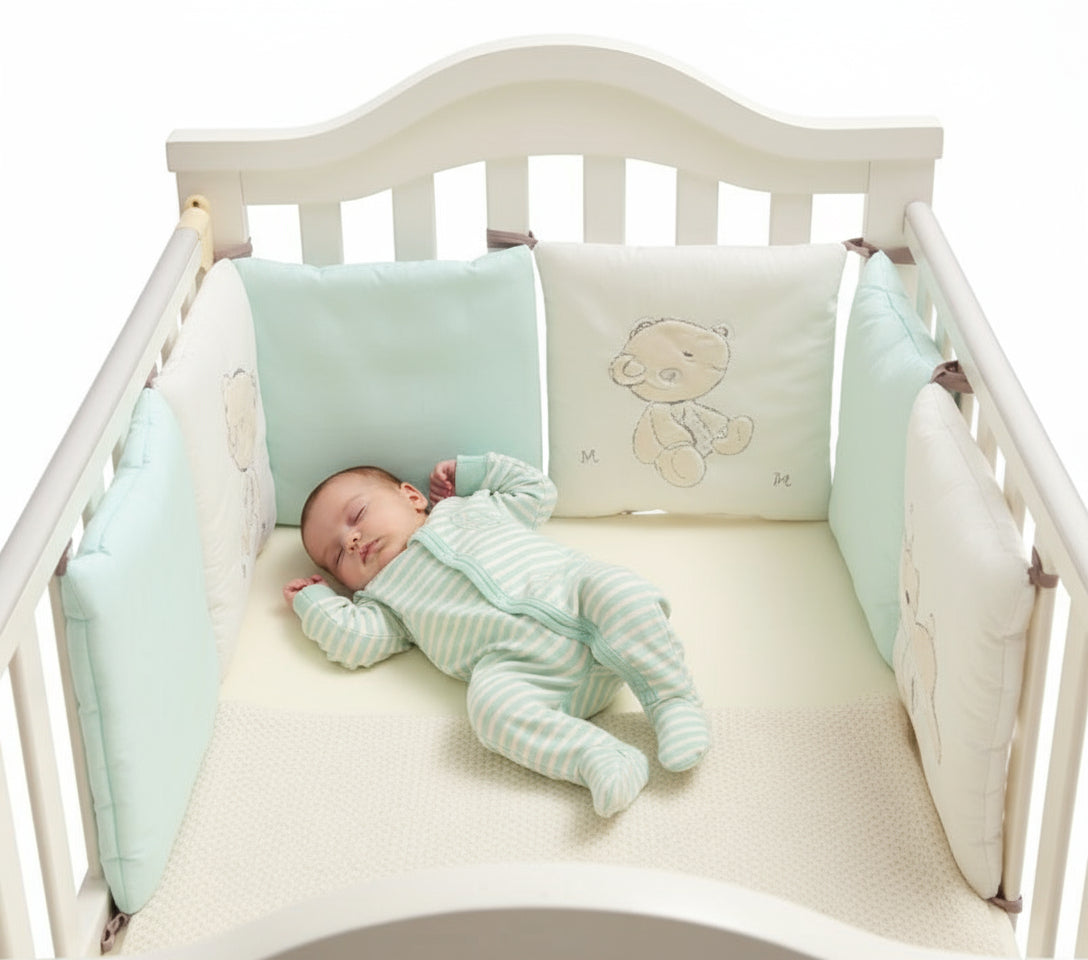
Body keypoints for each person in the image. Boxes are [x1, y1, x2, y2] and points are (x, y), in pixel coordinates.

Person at [284, 451, 709, 817]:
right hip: (529, 672)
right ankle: (597, 756)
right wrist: (316, 604)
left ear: (412, 497)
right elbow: (355, 641)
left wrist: (474, 472)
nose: (352, 538)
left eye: (356, 515)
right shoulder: (382, 599)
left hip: (574, 596)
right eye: (337, 555)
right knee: (489, 709)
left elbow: (536, 490)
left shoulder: (472, 508)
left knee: (616, 589)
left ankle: (671, 701)